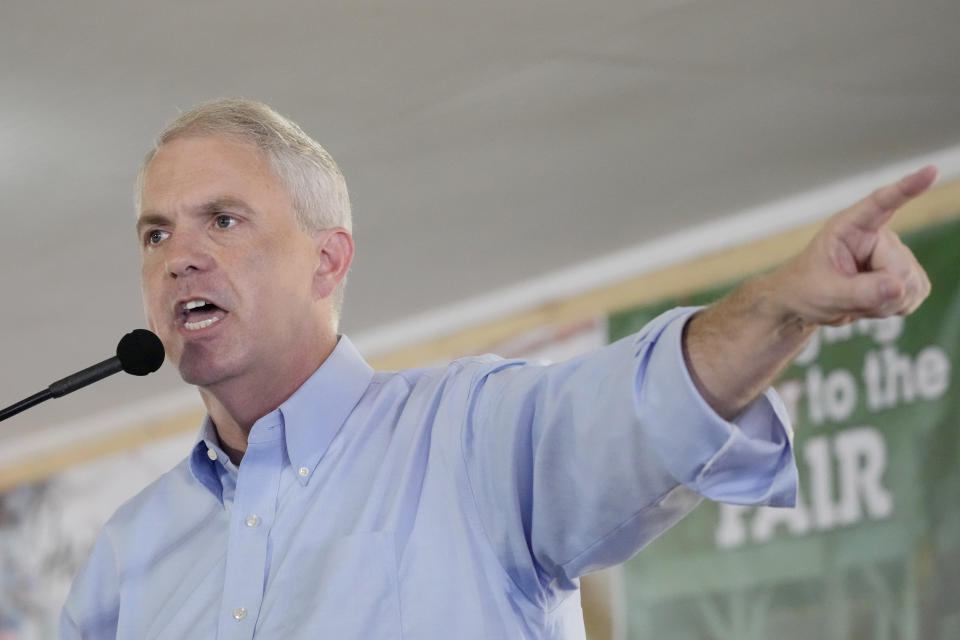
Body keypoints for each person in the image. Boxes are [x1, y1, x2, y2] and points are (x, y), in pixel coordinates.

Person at [60, 98, 935, 639]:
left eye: (223, 220)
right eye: (155, 233)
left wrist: (783, 301)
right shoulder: (129, 554)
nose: (180, 258)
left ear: (328, 262)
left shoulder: (470, 435)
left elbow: (648, 406)